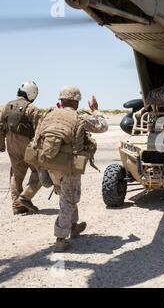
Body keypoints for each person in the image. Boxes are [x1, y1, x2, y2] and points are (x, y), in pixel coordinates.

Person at [34, 86, 108, 252]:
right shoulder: (78, 117)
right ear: (76, 101)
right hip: (68, 166)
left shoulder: (49, 114)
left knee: (68, 196)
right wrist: (95, 110)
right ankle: (60, 238)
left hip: (49, 164)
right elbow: (102, 126)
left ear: (61, 100)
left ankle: (73, 227)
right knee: (69, 200)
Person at [0, 81, 42, 215]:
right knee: (39, 172)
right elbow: (39, 129)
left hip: (11, 144)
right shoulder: (32, 108)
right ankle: (25, 197)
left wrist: (0, 145)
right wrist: (38, 146)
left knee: (16, 175)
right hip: (27, 145)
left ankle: (17, 205)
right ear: (32, 94)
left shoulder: (8, 106)